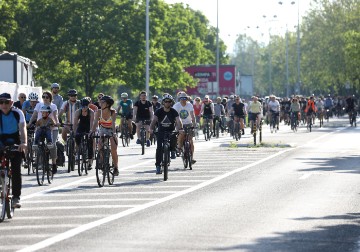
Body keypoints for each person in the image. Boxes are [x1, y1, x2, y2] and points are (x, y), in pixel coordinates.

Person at [0, 93, 27, 208]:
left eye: (6, 102)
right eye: (1, 102)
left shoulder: (17, 113)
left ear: (11, 103)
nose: (3, 105)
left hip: (15, 141)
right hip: (1, 140)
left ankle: (16, 197)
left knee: (16, 170)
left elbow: (23, 127)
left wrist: (24, 142)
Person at [149, 94, 183, 174]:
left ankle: (173, 150)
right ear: (163, 102)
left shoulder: (173, 111)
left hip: (171, 131)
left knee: (174, 138)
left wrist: (180, 129)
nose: (167, 103)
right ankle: (158, 166)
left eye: (169, 102)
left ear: (171, 103)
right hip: (161, 131)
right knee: (159, 148)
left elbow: (178, 121)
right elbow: (154, 121)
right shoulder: (159, 111)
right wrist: (151, 129)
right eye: (166, 101)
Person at [28, 91, 59, 174]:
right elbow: (34, 115)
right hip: (40, 127)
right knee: (39, 144)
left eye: (47, 97)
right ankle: (40, 162)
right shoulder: (39, 105)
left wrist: (56, 123)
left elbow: (55, 116)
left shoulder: (53, 106)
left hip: (52, 128)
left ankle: (54, 163)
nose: (45, 99)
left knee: (52, 145)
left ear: (50, 98)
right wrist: (29, 123)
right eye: (43, 97)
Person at [91, 95, 119, 176]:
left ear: (107, 104)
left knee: (114, 148)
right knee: (100, 145)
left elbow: (113, 123)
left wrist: (113, 134)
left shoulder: (113, 112)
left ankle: (116, 167)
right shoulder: (99, 112)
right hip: (102, 128)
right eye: (100, 101)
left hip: (111, 129)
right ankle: (102, 162)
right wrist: (92, 132)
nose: (100, 103)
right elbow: (95, 122)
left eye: (102, 102)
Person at [173, 92, 196, 162]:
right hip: (179, 124)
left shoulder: (189, 105)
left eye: (185, 98)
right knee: (181, 135)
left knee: (191, 141)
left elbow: (192, 115)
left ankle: (191, 158)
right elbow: (174, 116)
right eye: (182, 98)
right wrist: (177, 125)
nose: (183, 100)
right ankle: (179, 148)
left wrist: (194, 123)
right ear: (179, 99)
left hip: (188, 123)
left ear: (187, 99)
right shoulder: (176, 106)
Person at [74, 98, 95, 169]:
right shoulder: (78, 112)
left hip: (88, 127)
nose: (84, 107)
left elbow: (92, 122)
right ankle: (78, 152)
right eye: (82, 106)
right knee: (77, 137)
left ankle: (90, 161)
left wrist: (91, 132)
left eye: (85, 106)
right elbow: (75, 123)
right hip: (81, 126)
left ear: (88, 105)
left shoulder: (91, 112)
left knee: (90, 142)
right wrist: (74, 132)